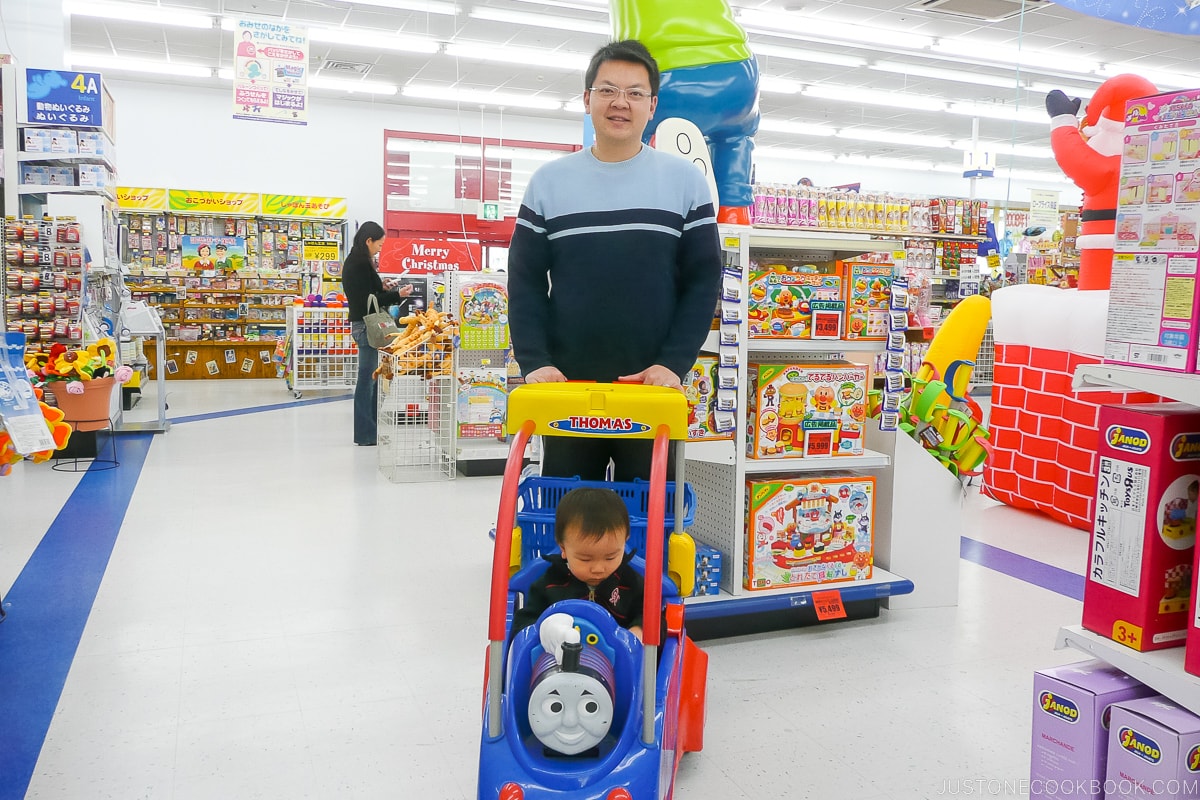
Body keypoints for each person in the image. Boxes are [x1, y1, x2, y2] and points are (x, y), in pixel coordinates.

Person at [508, 39, 722, 482]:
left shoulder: (686, 184)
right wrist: (534, 360)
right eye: (607, 90)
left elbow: (703, 282)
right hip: (568, 388)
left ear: (652, 105)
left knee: (648, 521)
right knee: (568, 525)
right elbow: (525, 280)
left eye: (635, 92)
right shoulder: (549, 182)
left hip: (652, 389)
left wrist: (674, 363)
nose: (620, 103)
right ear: (587, 100)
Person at [511, 487, 644, 640]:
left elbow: (650, 614)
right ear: (564, 549)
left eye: (610, 557)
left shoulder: (629, 582)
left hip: (620, 659)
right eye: (585, 559)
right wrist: (544, 632)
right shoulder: (549, 584)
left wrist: (639, 629)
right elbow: (523, 624)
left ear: (624, 542)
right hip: (557, 659)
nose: (598, 569)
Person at [341, 221, 412, 446]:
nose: (380, 249)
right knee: (367, 380)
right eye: (379, 245)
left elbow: (368, 292)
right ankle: (365, 433)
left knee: (372, 379)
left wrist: (385, 287)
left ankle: (370, 429)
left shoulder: (359, 261)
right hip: (366, 326)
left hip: (363, 324)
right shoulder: (359, 264)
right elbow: (365, 301)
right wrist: (396, 294)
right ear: (368, 241)